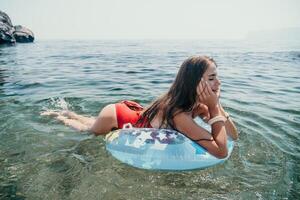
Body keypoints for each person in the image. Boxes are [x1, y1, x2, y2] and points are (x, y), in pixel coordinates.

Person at [41, 55, 238, 158]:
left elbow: (233, 135)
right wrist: (213, 108)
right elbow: (220, 151)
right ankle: (61, 116)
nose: (218, 83)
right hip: (118, 116)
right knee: (88, 130)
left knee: (92, 123)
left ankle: (70, 112)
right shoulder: (179, 114)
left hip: (136, 112)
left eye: (217, 77)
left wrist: (215, 105)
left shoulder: (197, 105)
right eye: (212, 78)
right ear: (195, 82)